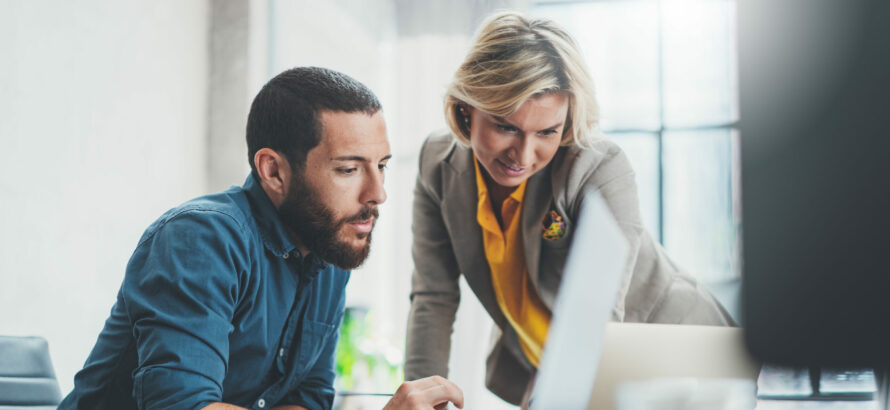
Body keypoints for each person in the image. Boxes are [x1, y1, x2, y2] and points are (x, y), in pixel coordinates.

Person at [59, 67, 463, 410]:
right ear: (273, 171)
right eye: (348, 170)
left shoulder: (329, 251)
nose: (377, 193)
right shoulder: (200, 239)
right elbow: (185, 406)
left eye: (381, 166)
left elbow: (304, 400)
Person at [403, 11, 733, 405]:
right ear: (466, 109)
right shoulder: (436, 165)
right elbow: (433, 299)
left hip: (678, 356)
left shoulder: (598, 167)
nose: (523, 155)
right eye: (505, 126)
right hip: (549, 366)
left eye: (546, 132)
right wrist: (420, 401)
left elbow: (595, 322)